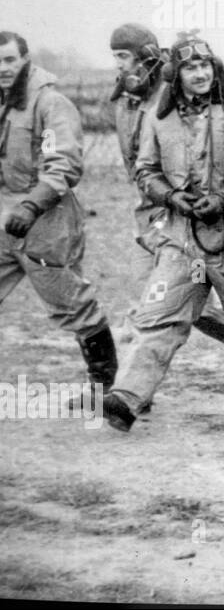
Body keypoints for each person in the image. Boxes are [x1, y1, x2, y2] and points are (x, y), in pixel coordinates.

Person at [101, 34, 224, 430]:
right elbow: (145, 168)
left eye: (205, 65)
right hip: (181, 234)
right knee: (160, 313)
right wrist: (170, 197)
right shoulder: (159, 116)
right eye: (190, 67)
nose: (200, 73)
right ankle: (128, 398)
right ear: (176, 73)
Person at [109, 23, 224, 357]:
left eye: (124, 56)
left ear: (148, 57)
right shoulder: (124, 104)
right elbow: (139, 168)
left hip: (189, 215)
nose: (119, 65)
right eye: (115, 58)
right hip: (151, 214)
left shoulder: (177, 101)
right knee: (160, 300)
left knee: (160, 302)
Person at [0, 31, 117, 396]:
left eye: (8, 60)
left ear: (25, 60)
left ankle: (108, 389)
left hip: (45, 218)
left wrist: (32, 203)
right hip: (5, 215)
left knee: (70, 302)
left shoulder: (50, 103)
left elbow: (62, 162)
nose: (2, 69)